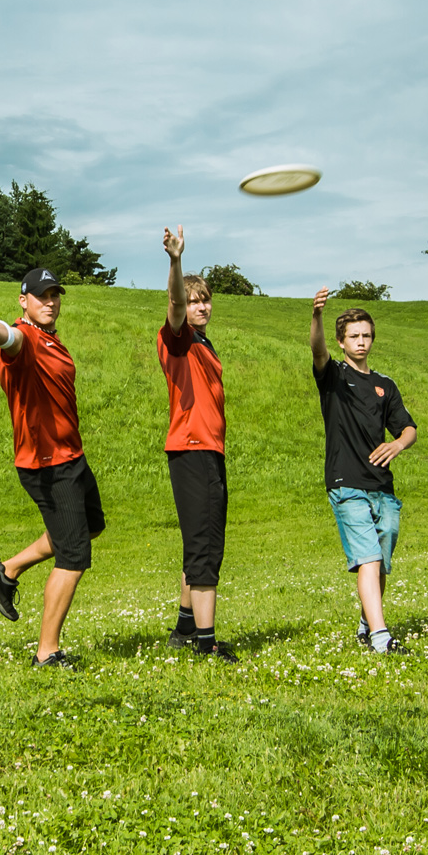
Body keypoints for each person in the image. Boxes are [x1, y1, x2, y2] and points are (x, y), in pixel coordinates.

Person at [0, 267, 105, 669]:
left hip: (71, 457)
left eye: (55, 295)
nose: (50, 301)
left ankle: (6, 571)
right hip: (48, 465)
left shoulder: (51, 339)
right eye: (41, 296)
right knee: (74, 555)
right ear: (23, 301)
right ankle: (47, 652)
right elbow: (7, 338)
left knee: (91, 525)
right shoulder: (24, 338)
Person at [309, 290, 417, 653]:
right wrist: (317, 317)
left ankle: (367, 621)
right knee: (368, 556)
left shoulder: (385, 385)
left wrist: (398, 444)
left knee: (382, 555)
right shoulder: (333, 376)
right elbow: (317, 351)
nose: (361, 342)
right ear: (342, 342)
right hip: (345, 483)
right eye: (354, 336)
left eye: (366, 335)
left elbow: (408, 427)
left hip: (381, 486)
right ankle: (381, 637)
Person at [159, 228, 235, 662]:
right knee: (206, 547)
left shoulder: (204, 344)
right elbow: (173, 307)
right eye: (194, 301)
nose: (200, 306)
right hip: (193, 449)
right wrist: (176, 262)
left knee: (198, 542)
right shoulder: (178, 338)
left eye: (205, 299)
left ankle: (185, 630)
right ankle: (207, 645)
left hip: (207, 450)